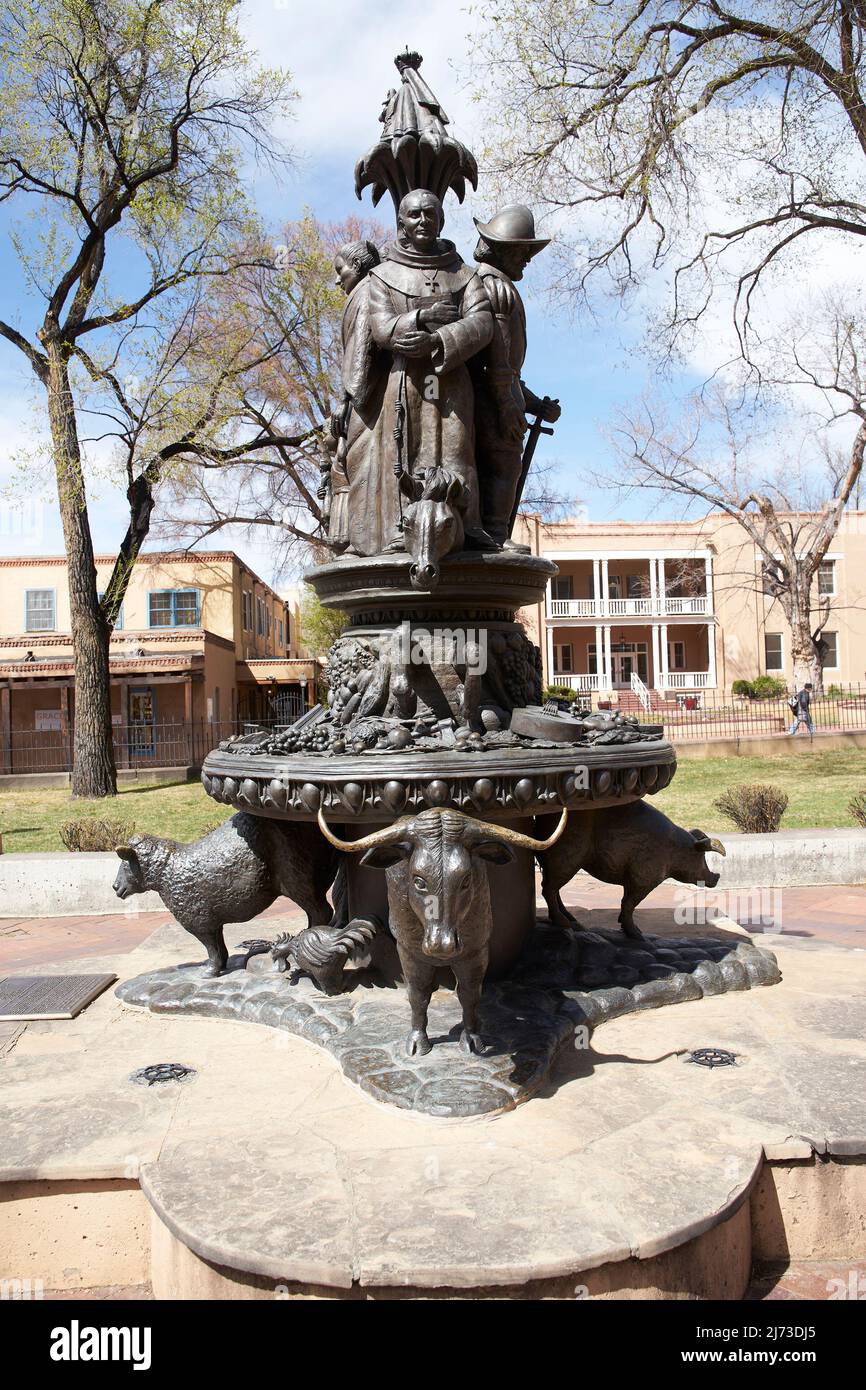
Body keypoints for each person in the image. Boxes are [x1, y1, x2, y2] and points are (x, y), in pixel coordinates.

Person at [362, 188, 495, 553]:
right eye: (415, 214)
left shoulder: (463, 274)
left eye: (430, 214)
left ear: (441, 220)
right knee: (406, 448)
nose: (423, 221)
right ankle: (402, 526)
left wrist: (438, 342)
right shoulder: (383, 275)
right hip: (407, 379)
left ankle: (467, 525)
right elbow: (380, 325)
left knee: (457, 447)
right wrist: (420, 318)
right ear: (401, 222)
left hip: (447, 376)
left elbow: (482, 322)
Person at [470, 204, 561, 548]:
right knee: (504, 464)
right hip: (492, 400)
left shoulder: (490, 284)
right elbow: (499, 365)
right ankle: (494, 533)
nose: (527, 259)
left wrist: (535, 405)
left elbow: (509, 372)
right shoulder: (496, 289)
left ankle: (492, 532)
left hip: (499, 393)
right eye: (523, 251)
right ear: (504, 249)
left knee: (501, 466)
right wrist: (509, 405)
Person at [324, 238, 383, 554]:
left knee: (361, 466)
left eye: (340, 270)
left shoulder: (365, 294)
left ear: (357, 266)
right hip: (364, 399)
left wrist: (348, 401)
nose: (337, 279)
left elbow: (361, 353)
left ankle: (362, 543)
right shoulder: (371, 291)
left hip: (366, 403)